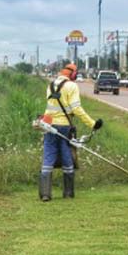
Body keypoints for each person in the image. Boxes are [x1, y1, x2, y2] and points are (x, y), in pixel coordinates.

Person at [40, 62, 102, 201]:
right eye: (75, 73)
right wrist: (92, 124)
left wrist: (44, 124)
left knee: (48, 158)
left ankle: (45, 194)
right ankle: (68, 193)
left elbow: (49, 109)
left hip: (49, 126)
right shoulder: (72, 86)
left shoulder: (51, 85)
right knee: (67, 157)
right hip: (64, 127)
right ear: (72, 73)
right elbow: (76, 109)